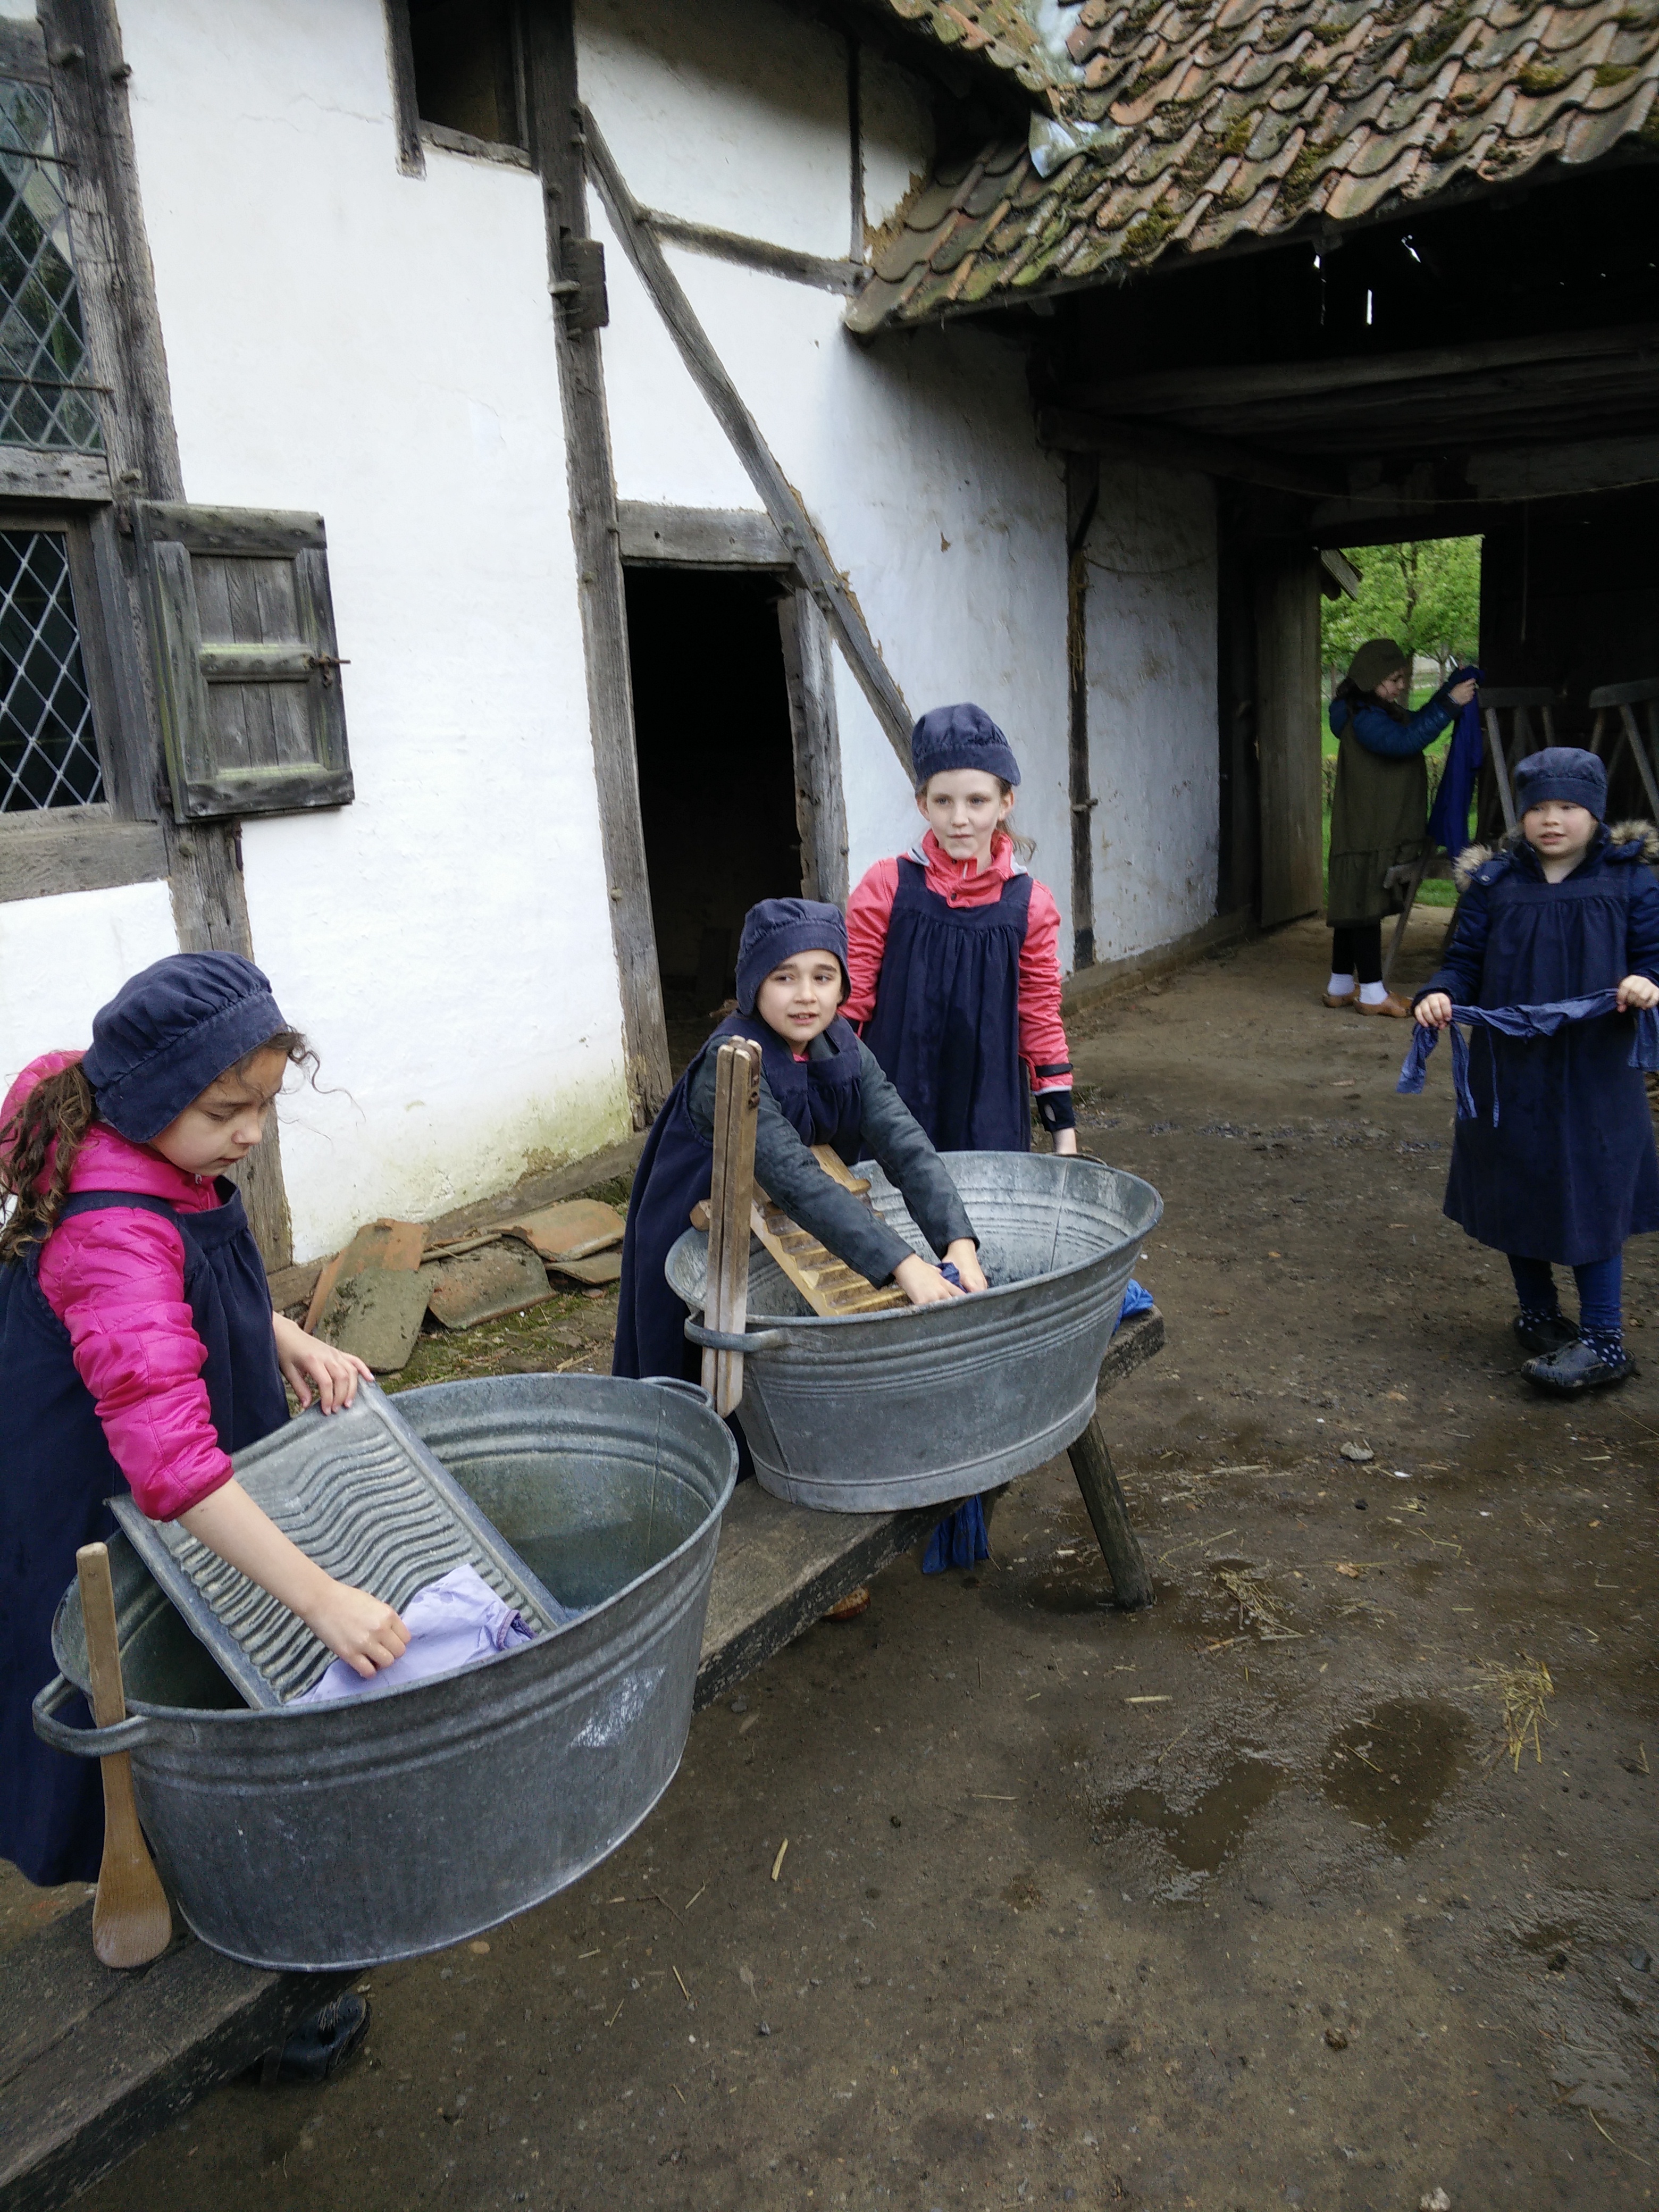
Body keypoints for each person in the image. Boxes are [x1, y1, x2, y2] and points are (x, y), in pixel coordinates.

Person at [1, 952, 403, 2077]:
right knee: (136, 1697)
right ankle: (223, 1985)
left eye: (266, 1105)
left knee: (202, 1664)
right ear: (138, 1101)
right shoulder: (108, 1238)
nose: (252, 1134)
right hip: (104, 1491)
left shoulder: (134, 1144)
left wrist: (288, 1334)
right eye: (227, 1111)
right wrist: (323, 1597)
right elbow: (173, 1466)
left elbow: (198, 1277)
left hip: (157, 1465)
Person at [615, 897, 986, 1398]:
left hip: (783, 1228)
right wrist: (905, 1264)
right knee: (701, 1364)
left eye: (823, 976)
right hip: (699, 1223)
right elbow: (795, 1178)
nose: (806, 996)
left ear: (842, 986)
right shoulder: (728, 1064)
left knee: (780, 1360)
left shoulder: (845, 1048)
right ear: (753, 986)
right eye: (784, 977)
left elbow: (906, 1145)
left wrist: (956, 1244)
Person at [1411, 748, 1659, 1393]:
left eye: (1568, 807)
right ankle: (1540, 1315)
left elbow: (1654, 955)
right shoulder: (1495, 885)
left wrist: (1646, 980)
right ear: (1522, 815)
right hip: (1510, 1066)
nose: (1552, 820)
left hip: (1596, 1069)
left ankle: (1604, 1341)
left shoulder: (1632, 880)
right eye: (1538, 808)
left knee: (1593, 1189)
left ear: (1595, 813)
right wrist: (1437, 994)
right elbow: (1462, 961)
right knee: (1515, 1177)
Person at [844, 702, 1075, 1153]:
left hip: (988, 1106)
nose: (960, 818)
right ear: (922, 805)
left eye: (977, 801)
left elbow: (1040, 1016)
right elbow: (851, 1003)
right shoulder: (887, 887)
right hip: (894, 1098)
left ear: (1006, 802)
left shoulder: (1031, 906)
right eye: (943, 801)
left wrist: (1063, 1134)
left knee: (985, 1219)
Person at [1326, 640, 1479, 1017]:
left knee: (1353, 906)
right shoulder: (1365, 719)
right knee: (1366, 910)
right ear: (1370, 678)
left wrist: (1450, 690)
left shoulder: (1373, 711)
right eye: (1393, 679)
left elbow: (1415, 720)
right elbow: (1407, 741)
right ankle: (1373, 994)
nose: (1398, 687)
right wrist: (1450, 704)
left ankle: (1340, 985)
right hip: (1370, 831)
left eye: (1402, 678)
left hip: (1366, 828)